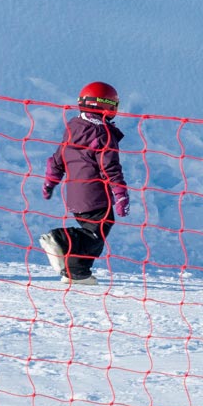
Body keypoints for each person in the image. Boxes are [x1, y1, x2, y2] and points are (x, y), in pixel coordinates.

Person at [38, 81, 130, 286]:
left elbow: (57, 159)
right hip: (95, 194)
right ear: (104, 105)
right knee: (96, 232)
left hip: (74, 194)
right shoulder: (103, 134)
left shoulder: (74, 127)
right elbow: (110, 167)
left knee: (94, 231)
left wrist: (50, 182)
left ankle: (76, 272)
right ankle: (60, 238)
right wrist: (121, 193)